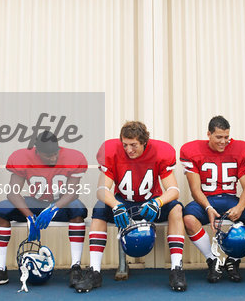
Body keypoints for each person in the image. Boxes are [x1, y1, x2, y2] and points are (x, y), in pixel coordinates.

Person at [74, 121, 186, 293]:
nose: (129, 150)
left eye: (134, 145)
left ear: (144, 142)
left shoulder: (160, 152)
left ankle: (176, 268)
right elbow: (102, 189)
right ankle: (95, 271)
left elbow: (174, 190)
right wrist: (116, 205)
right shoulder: (112, 151)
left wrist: (158, 202)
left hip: (151, 203)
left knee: (176, 208)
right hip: (123, 202)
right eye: (125, 145)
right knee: (99, 209)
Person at [0, 131, 88, 289]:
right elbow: (13, 192)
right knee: (2, 210)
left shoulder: (73, 157)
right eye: (48, 156)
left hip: (60, 203)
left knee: (78, 209)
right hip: (36, 201)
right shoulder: (23, 158)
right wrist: (29, 217)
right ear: (37, 151)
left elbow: (73, 192)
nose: (53, 158)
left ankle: (76, 267)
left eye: (55, 154)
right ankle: (0, 269)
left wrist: (54, 208)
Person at [180, 116, 245, 283]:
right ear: (209, 134)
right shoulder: (193, 151)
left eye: (226, 137)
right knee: (189, 219)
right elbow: (195, 189)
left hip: (230, 200)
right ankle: (213, 260)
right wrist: (207, 207)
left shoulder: (240, 149)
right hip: (207, 200)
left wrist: (240, 207)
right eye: (219, 137)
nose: (223, 141)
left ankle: (233, 260)